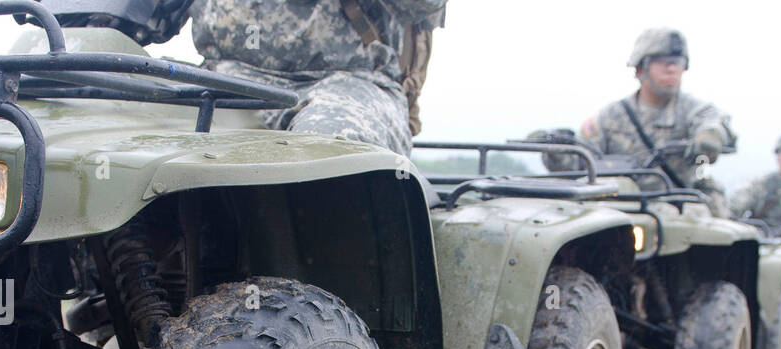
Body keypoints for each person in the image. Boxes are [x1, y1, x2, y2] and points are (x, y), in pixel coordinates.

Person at [46, 1, 445, 156]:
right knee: (97, 118)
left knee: (330, 150)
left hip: (346, 83)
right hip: (222, 81)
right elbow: (137, 14)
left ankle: (330, 312)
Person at [533, 28, 736, 214]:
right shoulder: (611, 117)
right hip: (620, 208)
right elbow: (581, 163)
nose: (672, 68)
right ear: (640, 69)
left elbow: (714, 123)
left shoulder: (693, 109)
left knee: (717, 227)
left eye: (678, 62)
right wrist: (553, 149)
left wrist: (711, 136)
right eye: (663, 62)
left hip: (680, 208)